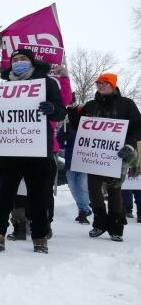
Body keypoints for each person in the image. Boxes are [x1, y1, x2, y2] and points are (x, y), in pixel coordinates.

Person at [0, 48, 65, 254]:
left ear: (32, 62)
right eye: (15, 59)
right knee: (5, 193)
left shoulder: (47, 84)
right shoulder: (3, 88)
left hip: (37, 150)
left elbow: (60, 112)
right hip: (10, 149)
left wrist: (52, 109)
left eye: (23, 59)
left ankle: (40, 237)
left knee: (38, 195)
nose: (18, 62)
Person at [72, 73, 141, 242]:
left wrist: (130, 145)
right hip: (94, 155)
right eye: (98, 83)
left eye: (105, 83)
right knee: (94, 190)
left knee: (114, 190)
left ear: (113, 85)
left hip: (117, 154)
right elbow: (77, 125)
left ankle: (116, 227)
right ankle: (100, 223)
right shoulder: (90, 105)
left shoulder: (126, 104)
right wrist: (73, 110)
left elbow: (138, 126)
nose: (101, 85)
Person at [61, 96, 92, 224]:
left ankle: (83, 211)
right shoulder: (67, 127)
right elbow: (61, 144)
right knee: (74, 189)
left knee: (82, 187)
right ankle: (84, 208)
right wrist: (63, 137)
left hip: (84, 163)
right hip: (70, 163)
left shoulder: (89, 129)